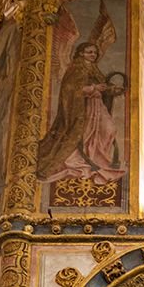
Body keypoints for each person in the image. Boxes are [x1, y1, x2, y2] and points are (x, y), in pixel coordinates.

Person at [37, 41, 125, 184]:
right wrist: (93, 88)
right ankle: (81, 163)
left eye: (95, 52)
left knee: (109, 129)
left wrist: (111, 90)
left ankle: (99, 161)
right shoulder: (76, 68)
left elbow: (103, 86)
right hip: (82, 109)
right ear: (81, 53)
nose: (93, 55)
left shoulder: (93, 68)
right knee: (84, 134)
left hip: (96, 105)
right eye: (89, 52)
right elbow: (70, 89)